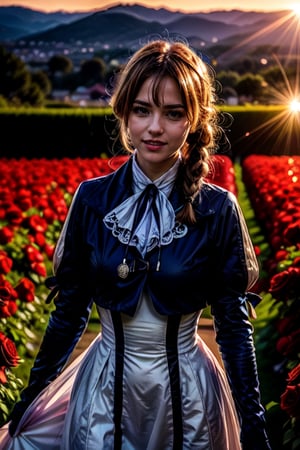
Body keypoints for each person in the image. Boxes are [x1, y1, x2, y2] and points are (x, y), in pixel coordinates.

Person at [2, 39, 271, 449]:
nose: (155, 127)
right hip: (102, 393)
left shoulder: (218, 209)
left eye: (173, 113)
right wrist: (30, 399)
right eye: (142, 110)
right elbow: (70, 312)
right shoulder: (92, 200)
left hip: (189, 397)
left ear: (193, 120)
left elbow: (233, 328)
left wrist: (253, 426)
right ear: (124, 113)